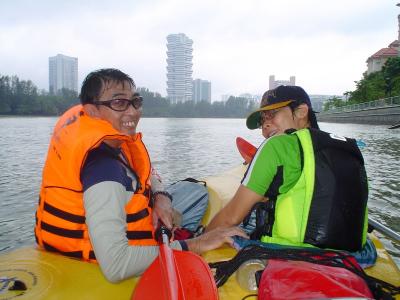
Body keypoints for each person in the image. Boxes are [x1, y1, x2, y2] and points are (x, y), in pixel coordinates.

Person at [34, 68, 246, 283]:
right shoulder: (103, 169)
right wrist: (200, 243)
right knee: (196, 201)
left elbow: (147, 173)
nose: (133, 112)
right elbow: (117, 265)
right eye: (119, 103)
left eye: (135, 101)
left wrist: (161, 196)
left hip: (132, 221)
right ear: (92, 111)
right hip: (97, 262)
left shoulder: (113, 142)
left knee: (197, 192)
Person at [207, 85, 369, 253]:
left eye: (271, 114)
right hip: (352, 258)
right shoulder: (347, 147)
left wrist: (198, 241)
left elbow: (230, 218)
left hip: (290, 258)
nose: (265, 125)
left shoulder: (276, 146)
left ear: (301, 111)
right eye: (262, 120)